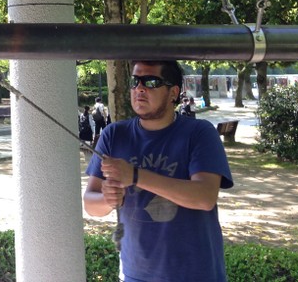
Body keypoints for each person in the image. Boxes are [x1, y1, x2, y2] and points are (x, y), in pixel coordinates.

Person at [83, 60, 233, 282]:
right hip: (135, 275)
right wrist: (108, 199)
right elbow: (90, 203)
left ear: (173, 93)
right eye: (135, 81)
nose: (140, 88)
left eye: (151, 82)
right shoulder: (114, 135)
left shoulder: (199, 133)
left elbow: (204, 197)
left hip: (196, 274)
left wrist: (135, 175)